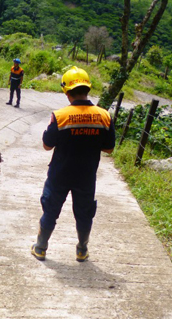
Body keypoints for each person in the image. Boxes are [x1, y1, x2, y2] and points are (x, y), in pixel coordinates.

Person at [31, 66, 116, 262]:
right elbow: (109, 148)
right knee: (84, 214)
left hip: (59, 173)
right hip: (86, 175)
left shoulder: (60, 116)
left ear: (66, 91)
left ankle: (41, 248)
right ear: (88, 88)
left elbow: (46, 145)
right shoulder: (104, 116)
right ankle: (81, 250)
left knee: (51, 209)